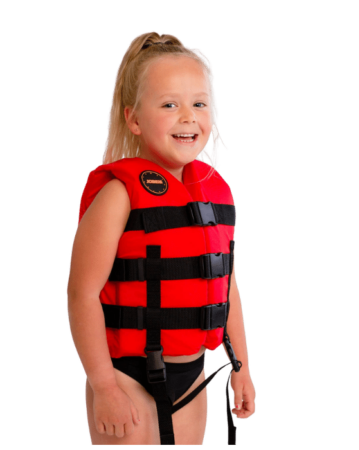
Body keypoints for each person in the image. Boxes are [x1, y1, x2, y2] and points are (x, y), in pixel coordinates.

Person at [66, 31, 257, 446]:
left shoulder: (215, 194)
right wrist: (104, 386)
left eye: (199, 104)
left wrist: (240, 366)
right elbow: (81, 294)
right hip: (126, 376)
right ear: (134, 119)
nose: (187, 116)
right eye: (170, 105)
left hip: (193, 373)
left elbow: (227, 287)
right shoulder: (118, 195)